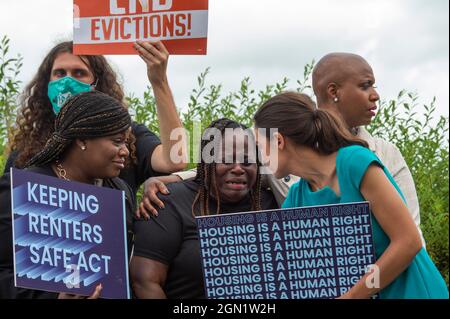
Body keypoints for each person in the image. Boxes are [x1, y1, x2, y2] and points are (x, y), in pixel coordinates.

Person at [137, 53, 426, 247]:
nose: (375, 95)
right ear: (333, 91)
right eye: (366, 86)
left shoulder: (378, 156)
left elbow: (412, 236)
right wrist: (167, 180)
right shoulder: (280, 144)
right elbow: (225, 162)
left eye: (373, 86)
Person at [253, 91, 448, 299]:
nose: (258, 157)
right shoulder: (296, 198)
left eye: (259, 146)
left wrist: (353, 296)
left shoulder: (355, 163)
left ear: (279, 141)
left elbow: (408, 242)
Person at [3, 40, 186, 196]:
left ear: (97, 83)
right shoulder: (26, 149)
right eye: (59, 73)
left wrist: (159, 80)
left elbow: (175, 159)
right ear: (47, 83)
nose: (67, 82)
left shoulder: (128, 137)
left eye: (79, 73)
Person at [0, 91, 135, 299]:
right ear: (82, 140)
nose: (125, 151)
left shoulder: (120, 192)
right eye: (117, 141)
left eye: (125, 142)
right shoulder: (20, 190)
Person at [130, 119, 278, 299]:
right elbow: (144, 282)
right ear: (207, 163)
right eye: (226, 160)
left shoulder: (272, 205)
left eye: (247, 162)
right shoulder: (169, 202)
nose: (238, 168)